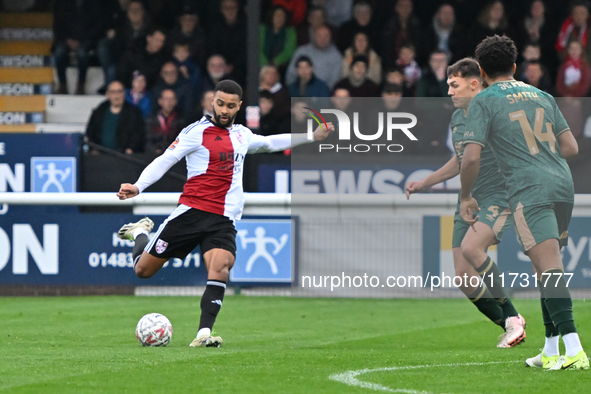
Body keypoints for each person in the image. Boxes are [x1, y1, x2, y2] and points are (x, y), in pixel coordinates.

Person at [115, 80, 334, 347]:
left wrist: (311, 136)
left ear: (239, 106)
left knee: (220, 267)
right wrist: (139, 186)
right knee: (143, 271)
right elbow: (165, 160)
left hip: (223, 218)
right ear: (212, 101)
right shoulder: (195, 132)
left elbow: (268, 143)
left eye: (230, 105)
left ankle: (203, 334)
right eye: (220, 103)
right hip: (191, 213)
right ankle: (140, 233)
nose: (224, 110)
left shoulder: (242, 135)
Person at [460, 35, 586, 370]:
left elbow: (471, 159)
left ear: (482, 72)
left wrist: (466, 196)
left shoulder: (484, 101)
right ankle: (550, 348)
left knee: (549, 269)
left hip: (530, 190)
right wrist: (541, 156)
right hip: (562, 185)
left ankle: (574, 349)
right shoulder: (542, 95)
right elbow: (571, 147)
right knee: (545, 269)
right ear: (515, 66)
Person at [407, 58, 525, 348]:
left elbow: (483, 157)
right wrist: (426, 182)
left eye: (454, 85)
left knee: (473, 249)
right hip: (470, 198)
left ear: (475, 84)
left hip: (498, 195)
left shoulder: (496, 109)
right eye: (448, 85)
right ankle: (510, 323)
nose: (449, 92)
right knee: (463, 276)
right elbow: (462, 159)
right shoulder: (458, 117)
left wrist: (465, 196)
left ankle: (512, 318)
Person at [52, 0, 103, 94]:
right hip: (66, 40)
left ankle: (81, 85)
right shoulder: (63, 3)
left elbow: (97, 26)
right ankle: (62, 84)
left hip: (86, 41)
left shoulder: (93, 4)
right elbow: (57, 25)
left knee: (82, 54)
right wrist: (67, 40)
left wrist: (82, 41)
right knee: (59, 53)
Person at [86, 80, 145, 154]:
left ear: (124, 93)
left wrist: (131, 149)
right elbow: (91, 132)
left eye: (119, 91)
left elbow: (138, 135)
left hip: (125, 157)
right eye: (113, 92)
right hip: (100, 157)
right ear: (108, 94)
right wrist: (93, 148)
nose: (117, 95)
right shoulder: (99, 111)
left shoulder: (134, 113)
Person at [286, 25, 343, 89]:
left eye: (326, 36)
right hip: (299, 92)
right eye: (319, 36)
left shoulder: (336, 56)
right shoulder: (301, 51)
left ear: (330, 38)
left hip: (323, 94)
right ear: (314, 36)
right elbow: (290, 75)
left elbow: (334, 82)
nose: (323, 39)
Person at [145, 89, 185, 154]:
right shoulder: (151, 119)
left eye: (172, 99)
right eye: (166, 99)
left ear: (176, 101)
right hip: (154, 155)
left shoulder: (181, 119)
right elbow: (147, 140)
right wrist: (155, 151)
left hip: (174, 155)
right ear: (160, 101)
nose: (169, 102)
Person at [259, 5, 297, 72]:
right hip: (261, 68)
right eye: (277, 15)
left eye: (282, 16)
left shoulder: (290, 31)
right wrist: (266, 65)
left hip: (282, 68)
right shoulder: (262, 29)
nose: (280, 18)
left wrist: (275, 62)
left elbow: (290, 51)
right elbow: (257, 48)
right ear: (271, 16)